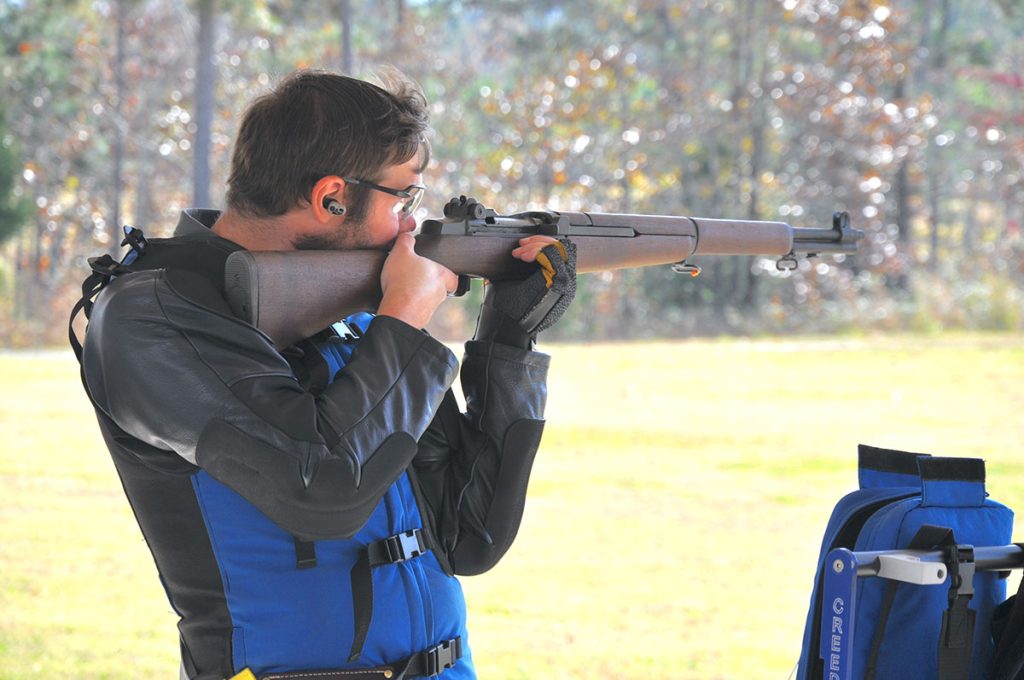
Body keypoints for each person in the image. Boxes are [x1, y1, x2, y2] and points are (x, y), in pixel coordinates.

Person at [72, 69, 575, 680]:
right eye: (404, 199)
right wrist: (404, 316)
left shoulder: (354, 314)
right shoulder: (149, 319)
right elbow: (323, 490)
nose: (411, 227)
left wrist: (507, 338)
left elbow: (469, 536)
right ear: (332, 196)